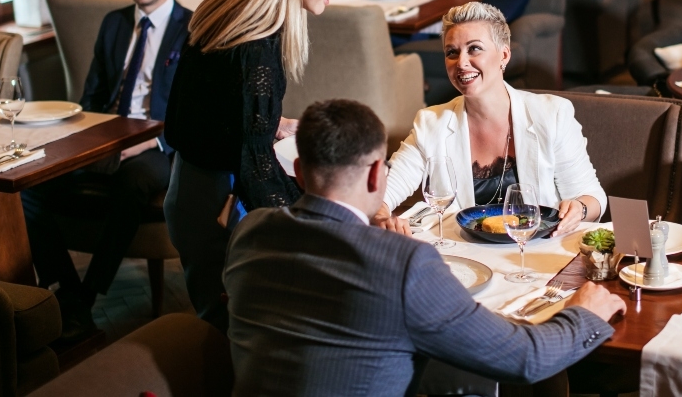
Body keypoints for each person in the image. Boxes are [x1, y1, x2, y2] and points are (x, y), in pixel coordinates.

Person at [225, 99, 626, 396]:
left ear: (298, 171)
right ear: (377, 176)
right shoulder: (405, 263)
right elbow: (525, 359)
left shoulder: (249, 233)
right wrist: (585, 314)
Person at [163, 0, 364, 327]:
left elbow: (190, 112)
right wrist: (317, 218)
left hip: (188, 190)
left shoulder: (229, 3)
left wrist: (270, 124)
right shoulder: (259, 41)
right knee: (241, 336)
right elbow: (252, 168)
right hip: (220, 205)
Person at [21, 0, 189, 340]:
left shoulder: (192, 27)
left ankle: (86, 297)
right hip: (107, 135)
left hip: (161, 144)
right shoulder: (114, 23)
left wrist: (150, 142)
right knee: (28, 185)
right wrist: (85, 140)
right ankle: (67, 286)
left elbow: (193, 110)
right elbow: (92, 97)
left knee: (131, 183)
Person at [375, 1, 607, 237]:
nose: (461, 62)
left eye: (474, 49)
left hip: (537, 248)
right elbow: (384, 192)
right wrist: (381, 216)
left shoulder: (552, 115)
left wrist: (580, 208)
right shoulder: (431, 123)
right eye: (452, 52)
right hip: (464, 252)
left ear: (504, 55)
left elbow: (593, 198)